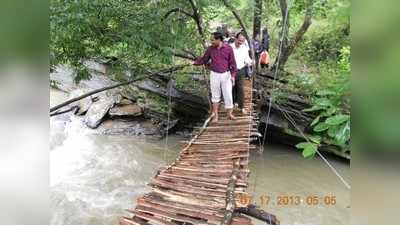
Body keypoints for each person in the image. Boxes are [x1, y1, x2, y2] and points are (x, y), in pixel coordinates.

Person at [193, 31, 238, 122]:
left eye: (213, 40)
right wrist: (195, 62)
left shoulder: (228, 48)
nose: (211, 42)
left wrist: (233, 76)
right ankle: (215, 115)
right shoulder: (210, 49)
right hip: (214, 74)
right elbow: (204, 59)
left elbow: (233, 63)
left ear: (219, 39)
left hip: (226, 74)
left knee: (228, 95)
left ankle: (229, 114)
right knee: (215, 95)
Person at [230, 32, 253, 115]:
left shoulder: (244, 48)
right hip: (231, 71)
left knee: (241, 88)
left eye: (242, 41)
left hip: (241, 70)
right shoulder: (230, 47)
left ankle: (241, 107)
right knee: (232, 88)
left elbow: (247, 59)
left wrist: (251, 62)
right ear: (236, 38)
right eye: (239, 40)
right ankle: (232, 105)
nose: (240, 42)